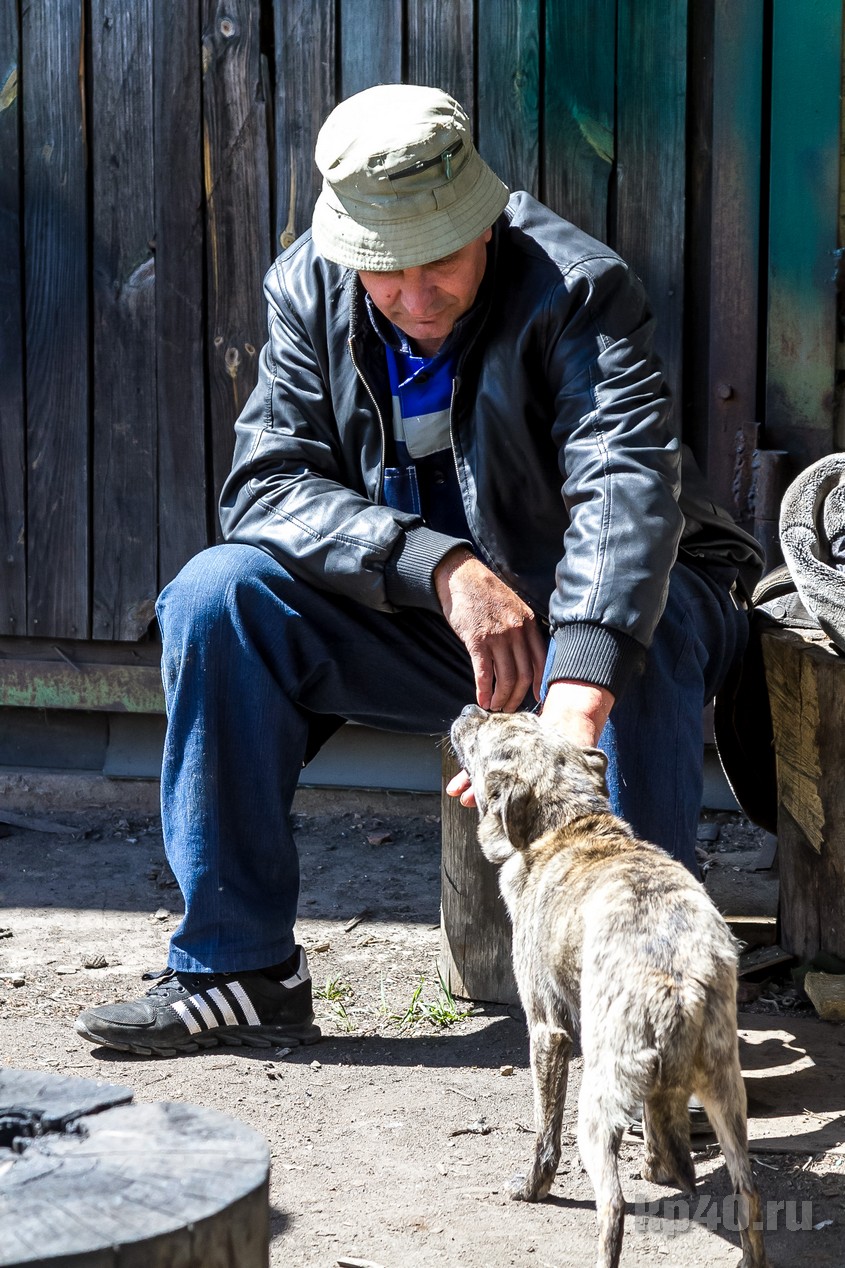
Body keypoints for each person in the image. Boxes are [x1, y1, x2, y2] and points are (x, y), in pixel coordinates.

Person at [75, 84, 764, 1057]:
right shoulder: (307, 286)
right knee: (217, 597)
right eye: (380, 271)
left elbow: (622, 489)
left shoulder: (576, 285)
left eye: (433, 260)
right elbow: (267, 484)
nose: (409, 295)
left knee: (628, 641)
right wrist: (438, 564)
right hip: (446, 627)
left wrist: (573, 695)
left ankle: (654, 1009)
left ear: (482, 220)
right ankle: (237, 969)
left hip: (612, 606)